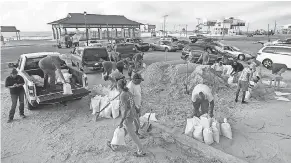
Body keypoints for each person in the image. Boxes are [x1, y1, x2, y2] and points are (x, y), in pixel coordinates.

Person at [107, 79, 146, 157]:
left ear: (119, 87)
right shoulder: (128, 92)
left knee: (132, 134)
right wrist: (136, 110)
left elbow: (124, 110)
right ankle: (114, 144)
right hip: (132, 114)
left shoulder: (122, 95)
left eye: (117, 86)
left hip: (128, 116)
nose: (116, 87)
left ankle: (141, 151)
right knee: (125, 130)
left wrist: (121, 121)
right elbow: (132, 103)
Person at [127, 73, 144, 139]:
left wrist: (140, 104)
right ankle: (137, 132)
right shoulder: (130, 87)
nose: (141, 82)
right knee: (136, 119)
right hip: (133, 107)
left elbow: (138, 93)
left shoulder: (137, 84)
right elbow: (130, 99)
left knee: (137, 118)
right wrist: (135, 108)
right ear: (135, 79)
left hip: (138, 105)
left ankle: (137, 130)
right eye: (140, 80)